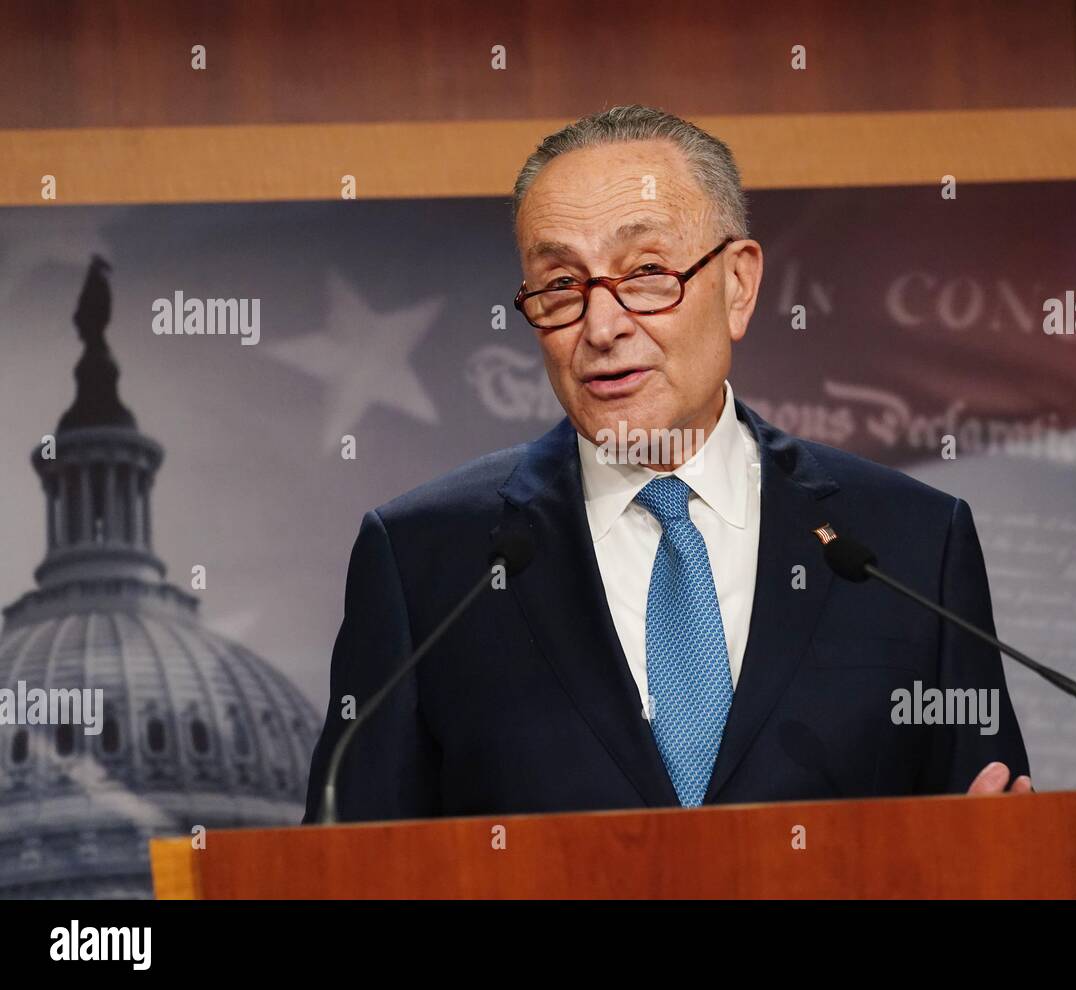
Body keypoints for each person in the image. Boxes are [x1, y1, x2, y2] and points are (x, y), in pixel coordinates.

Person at [303, 105, 1030, 824]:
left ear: (738, 286)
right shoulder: (427, 559)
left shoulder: (907, 544)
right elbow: (349, 860)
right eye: (560, 285)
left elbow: (988, 834)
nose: (603, 326)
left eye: (646, 271)